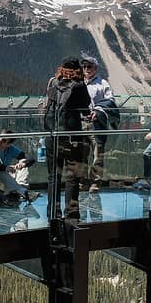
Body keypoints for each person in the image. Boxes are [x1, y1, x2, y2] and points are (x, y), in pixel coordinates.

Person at [43, 59, 92, 220]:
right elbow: (85, 108)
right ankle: (71, 213)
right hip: (72, 137)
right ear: (77, 69)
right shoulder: (78, 86)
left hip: (52, 136)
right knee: (72, 177)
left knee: (53, 176)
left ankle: (53, 213)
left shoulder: (53, 82)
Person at [81, 56, 117, 192]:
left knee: (98, 155)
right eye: (84, 67)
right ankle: (83, 182)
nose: (86, 69)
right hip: (81, 123)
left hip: (97, 123)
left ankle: (95, 183)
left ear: (95, 68)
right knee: (82, 155)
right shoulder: (80, 83)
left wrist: (98, 110)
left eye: (89, 66)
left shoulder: (103, 83)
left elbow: (110, 100)